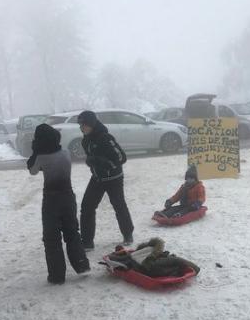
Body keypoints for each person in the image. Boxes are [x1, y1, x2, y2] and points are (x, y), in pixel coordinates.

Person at [27, 124, 90, 284]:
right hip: (68, 197)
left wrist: (36, 151)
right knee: (72, 232)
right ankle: (82, 265)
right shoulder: (66, 153)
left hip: (51, 200)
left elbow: (33, 170)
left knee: (52, 238)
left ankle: (57, 275)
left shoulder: (41, 157)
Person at [77, 111, 134, 250]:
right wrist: (92, 163)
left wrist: (99, 161)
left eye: (84, 125)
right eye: (80, 125)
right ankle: (87, 242)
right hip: (97, 178)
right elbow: (93, 158)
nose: (82, 128)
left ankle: (128, 234)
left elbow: (121, 158)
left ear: (91, 124)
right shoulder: (86, 140)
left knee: (119, 205)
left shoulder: (105, 137)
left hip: (114, 178)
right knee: (87, 207)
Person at [101, 237, 200, 278]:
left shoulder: (141, 251)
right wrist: (196, 268)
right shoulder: (154, 248)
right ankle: (119, 261)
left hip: (143, 266)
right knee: (175, 260)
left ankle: (120, 262)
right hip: (150, 266)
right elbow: (176, 260)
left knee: (132, 256)